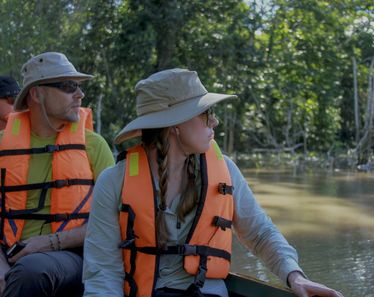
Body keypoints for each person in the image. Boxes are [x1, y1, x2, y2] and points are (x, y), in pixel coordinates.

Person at [83, 68, 344, 297]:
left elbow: (260, 233)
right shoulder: (114, 181)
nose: (215, 121)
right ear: (175, 124)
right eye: (207, 114)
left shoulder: (225, 170)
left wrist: (295, 276)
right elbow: (103, 273)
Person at [0, 52, 115, 297]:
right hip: (8, 255)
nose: (79, 94)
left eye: (78, 86)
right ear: (36, 93)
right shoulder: (2, 146)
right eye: (67, 86)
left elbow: (113, 221)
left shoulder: (94, 145)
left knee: (31, 270)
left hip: (72, 255)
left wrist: (50, 242)